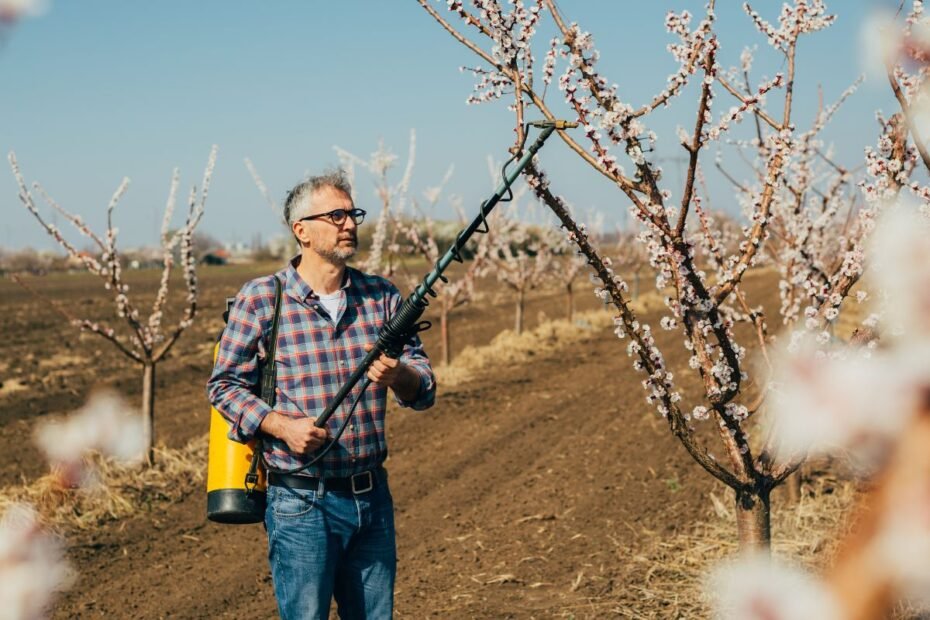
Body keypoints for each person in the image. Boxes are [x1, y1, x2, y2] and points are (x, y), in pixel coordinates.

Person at [207, 170, 436, 619]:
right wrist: (280, 426)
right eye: (336, 215)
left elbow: (424, 388)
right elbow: (223, 385)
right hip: (299, 503)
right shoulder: (261, 299)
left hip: (371, 499)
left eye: (353, 213)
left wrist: (400, 375)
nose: (349, 223)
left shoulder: (383, 298)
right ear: (302, 231)